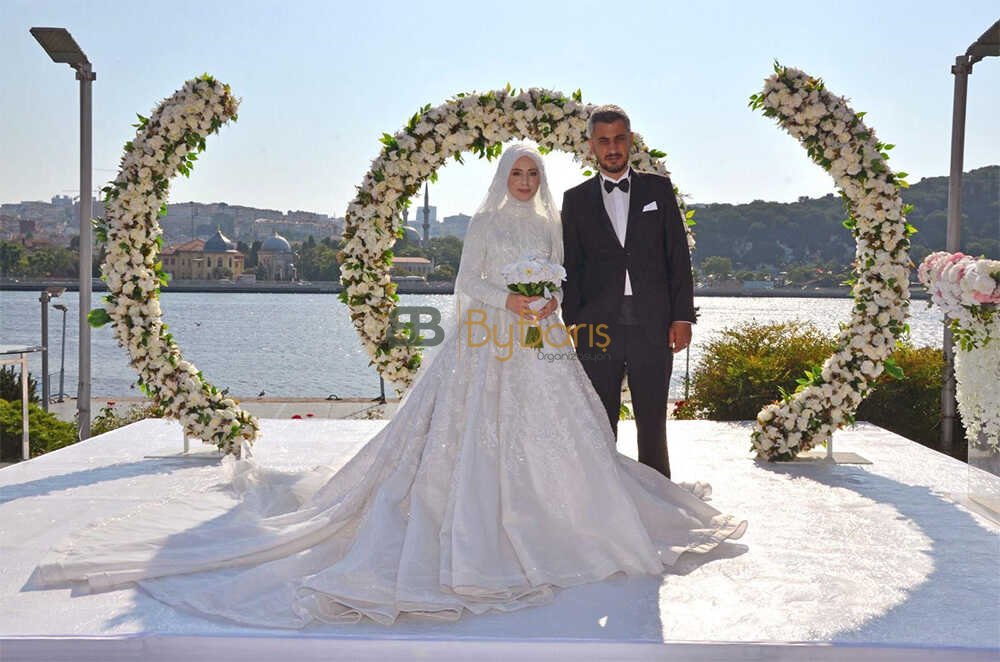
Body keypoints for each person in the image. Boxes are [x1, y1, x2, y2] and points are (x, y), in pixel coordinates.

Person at [32, 143, 745, 628]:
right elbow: (469, 284)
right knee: (471, 438)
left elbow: (567, 272)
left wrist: (547, 301)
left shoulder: (554, 222)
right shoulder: (486, 223)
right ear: (504, 177)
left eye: (533, 174)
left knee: (561, 434)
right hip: (488, 341)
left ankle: (570, 516)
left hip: (540, 341)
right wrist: (513, 301)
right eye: (518, 173)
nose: (526, 183)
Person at [561, 105, 694, 480]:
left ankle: (659, 498)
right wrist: (573, 324)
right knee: (599, 423)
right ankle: (604, 499)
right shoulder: (575, 199)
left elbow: (677, 257)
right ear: (591, 146)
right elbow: (571, 267)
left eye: (619, 138)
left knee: (652, 423)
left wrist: (682, 317)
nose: (613, 147)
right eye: (603, 141)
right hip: (596, 327)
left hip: (653, 324)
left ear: (630, 140)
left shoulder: (658, 190)